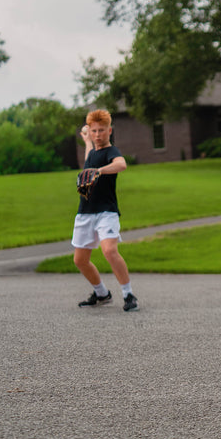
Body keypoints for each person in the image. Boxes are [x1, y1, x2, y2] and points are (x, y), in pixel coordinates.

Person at [72, 109, 138, 312]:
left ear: (110, 130)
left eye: (102, 130)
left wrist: (99, 171)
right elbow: (90, 160)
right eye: (94, 131)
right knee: (80, 260)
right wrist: (87, 140)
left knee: (109, 250)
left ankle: (128, 294)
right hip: (85, 212)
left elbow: (121, 164)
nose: (98, 134)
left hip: (106, 212)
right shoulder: (92, 152)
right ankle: (101, 293)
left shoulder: (112, 152)